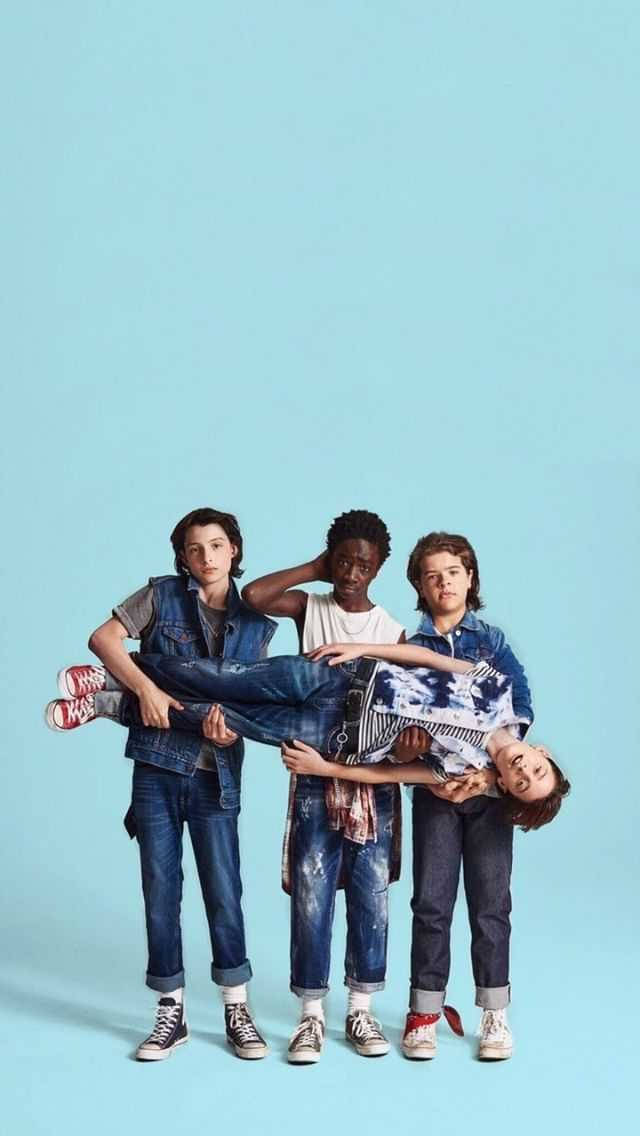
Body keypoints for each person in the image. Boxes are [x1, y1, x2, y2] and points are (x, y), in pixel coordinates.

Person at [54, 507, 277, 1063]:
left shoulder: (256, 623)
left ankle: (236, 1007)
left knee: (224, 892)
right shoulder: (159, 595)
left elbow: (251, 698)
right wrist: (146, 692)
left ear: (234, 551)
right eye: (195, 548)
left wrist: (233, 729)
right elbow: (102, 636)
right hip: (157, 767)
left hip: (216, 775)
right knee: (161, 892)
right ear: (182, 556)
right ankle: (169, 1013)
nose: (206, 556)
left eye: (217, 545)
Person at [241, 510, 405, 1063]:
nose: (353, 572)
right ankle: (310, 1014)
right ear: (330, 558)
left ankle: (361, 1009)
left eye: (364, 563)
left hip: (372, 784)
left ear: (380, 566)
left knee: (370, 895)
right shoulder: (312, 607)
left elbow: (401, 708)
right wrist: (315, 568)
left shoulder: (392, 629)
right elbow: (255, 596)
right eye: (344, 560)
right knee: (312, 894)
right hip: (314, 771)